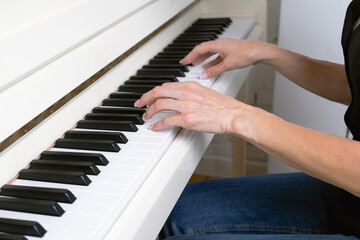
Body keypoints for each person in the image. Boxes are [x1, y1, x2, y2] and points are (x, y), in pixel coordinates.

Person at [134, 0, 360, 239]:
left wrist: (241, 118)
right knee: (174, 214)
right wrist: (270, 53)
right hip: (351, 200)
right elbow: (353, 85)